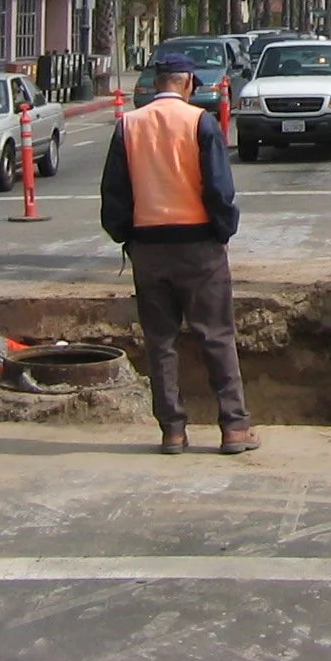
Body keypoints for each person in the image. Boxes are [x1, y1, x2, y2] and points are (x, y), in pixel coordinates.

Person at [100, 51, 256, 456]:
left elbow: (114, 196)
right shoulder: (199, 122)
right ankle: (234, 428)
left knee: (160, 342)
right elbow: (219, 189)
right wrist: (223, 231)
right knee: (216, 335)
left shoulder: (128, 126)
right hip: (199, 245)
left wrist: (127, 237)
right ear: (187, 83)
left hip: (149, 246)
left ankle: (172, 430)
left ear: (156, 83)